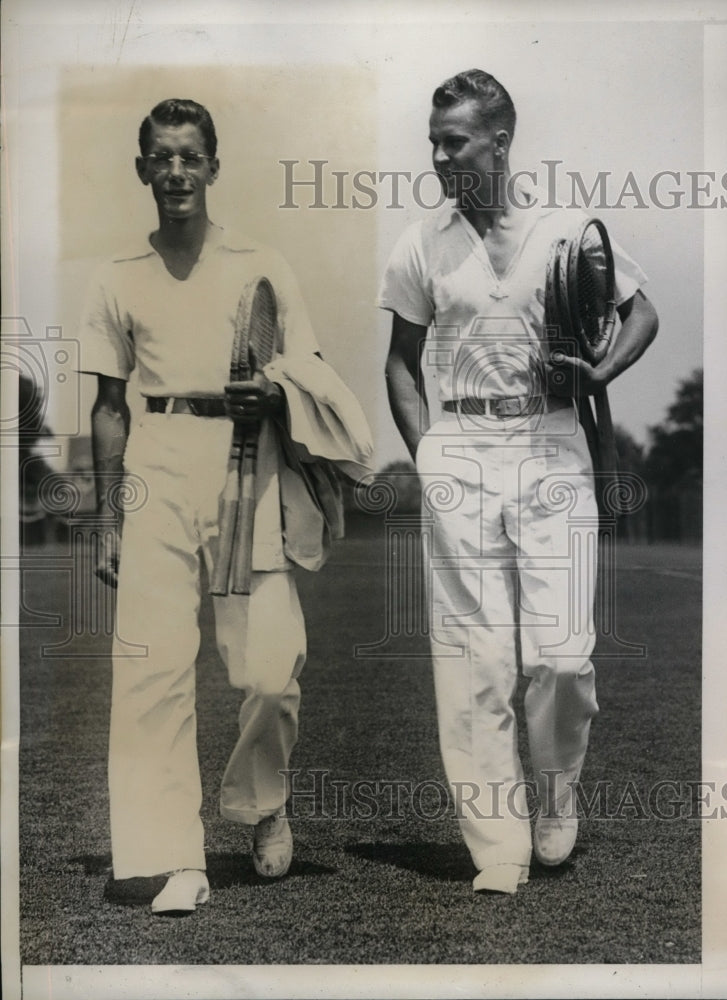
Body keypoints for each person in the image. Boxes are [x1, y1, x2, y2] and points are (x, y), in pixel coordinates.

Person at [79, 98, 372, 914]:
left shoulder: (261, 263)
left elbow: (312, 375)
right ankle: (172, 856)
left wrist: (271, 396)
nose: (175, 171)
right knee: (153, 672)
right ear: (143, 169)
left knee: (270, 671)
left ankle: (260, 802)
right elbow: (108, 406)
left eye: (190, 157)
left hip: (249, 471)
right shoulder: (114, 278)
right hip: (157, 468)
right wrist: (109, 517)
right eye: (161, 158)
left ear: (213, 166)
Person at [379, 69, 658, 895]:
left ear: (498, 141)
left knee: (562, 655)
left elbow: (642, 312)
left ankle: (556, 790)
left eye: (453, 141)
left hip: (551, 439)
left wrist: (599, 368)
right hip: (460, 441)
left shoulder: (566, 229)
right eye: (433, 141)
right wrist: (429, 453)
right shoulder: (420, 244)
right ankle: (494, 845)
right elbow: (398, 367)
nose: (438, 156)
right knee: (474, 661)